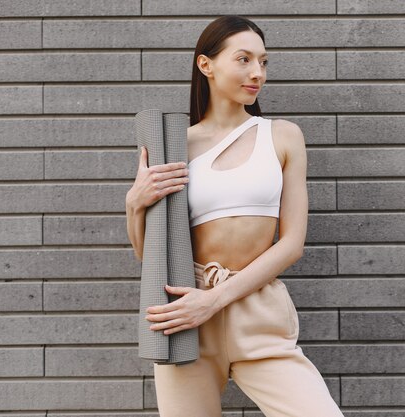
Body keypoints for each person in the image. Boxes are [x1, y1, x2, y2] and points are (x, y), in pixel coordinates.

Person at [125, 15, 344, 417]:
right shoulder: (175, 144)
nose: (257, 73)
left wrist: (214, 300)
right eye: (243, 60)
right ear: (206, 65)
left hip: (257, 313)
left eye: (263, 62)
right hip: (184, 316)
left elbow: (292, 244)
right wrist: (135, 204)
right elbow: (148, 256)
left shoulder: (282, 135)